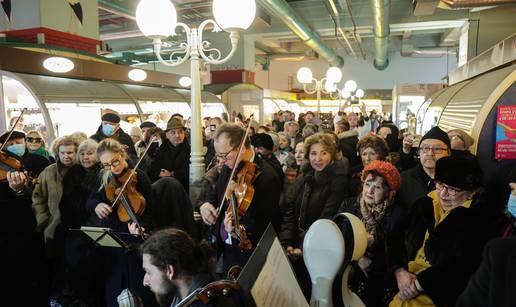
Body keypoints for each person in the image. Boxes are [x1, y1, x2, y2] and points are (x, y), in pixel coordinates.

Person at [389, 155, 493, 307]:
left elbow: (463, 266)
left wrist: (418, 285)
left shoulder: (477, 220)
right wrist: (399, 271)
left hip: (437, 295)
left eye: (452, 189)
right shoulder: (424, 204)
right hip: (403, 282)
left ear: (471, 192)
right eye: (440, 185)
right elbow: (394, 239)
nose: (443, 194)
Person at [198, 123, 282, 274]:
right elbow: (217, 194)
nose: (222, 161)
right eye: (218, 156)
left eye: (224, 155)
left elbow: (266, 223)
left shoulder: (268, 177)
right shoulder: (229, 166)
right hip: (225, 250)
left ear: (242, 147)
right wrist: (206, 204)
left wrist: (239, 229)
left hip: (247, 253)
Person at [86, 138, 156, 307]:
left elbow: (152, 209)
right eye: (106, 165)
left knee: (138, 289)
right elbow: (90, 200)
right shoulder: (104, 177)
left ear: (122, 154)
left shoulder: (139, 176)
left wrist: (142, 226)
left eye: (115, 161)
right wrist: (97, 205)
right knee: (115, 290)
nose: (112, 167)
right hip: (114, 240)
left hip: (136, 241)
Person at [338, 160, 403, 307]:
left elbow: (395, 255)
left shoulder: (397, 215)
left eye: (377, 187)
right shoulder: (348, 205)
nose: (369, 191)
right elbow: (337, 238)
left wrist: (374, 245)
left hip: (377, 281)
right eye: (367, 184)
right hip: (345, 273)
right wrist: (357, 259)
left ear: (389, 192)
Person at [141, 228, 241, 307]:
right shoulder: (185, 298)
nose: (145, 282)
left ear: (169, 270)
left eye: (149, 272)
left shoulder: (209, 300)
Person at [58, 139, 104, 306]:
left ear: (97, 155)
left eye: (90, 153)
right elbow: (67, 200)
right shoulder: (74, 172)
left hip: (96, 223)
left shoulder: (103, 171)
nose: (85, 157)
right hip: (75, 224)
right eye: (82, 154)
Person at [395, 126, 451, 210]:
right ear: (419, 152)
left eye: (437, 149)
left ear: (449, 153)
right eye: (425, 148)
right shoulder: (404, 179)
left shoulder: (456, 182)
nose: (430, 153)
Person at [147, 118, 190, 192]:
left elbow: (191, 172)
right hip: (164, 188)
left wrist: (172, 174)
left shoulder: (190, 149)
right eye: (173, 132)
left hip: (183, 189)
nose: (177, 135)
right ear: (167, 135)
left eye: (180, 132)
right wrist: (160, 173)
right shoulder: (162, 149)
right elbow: (152, 169)